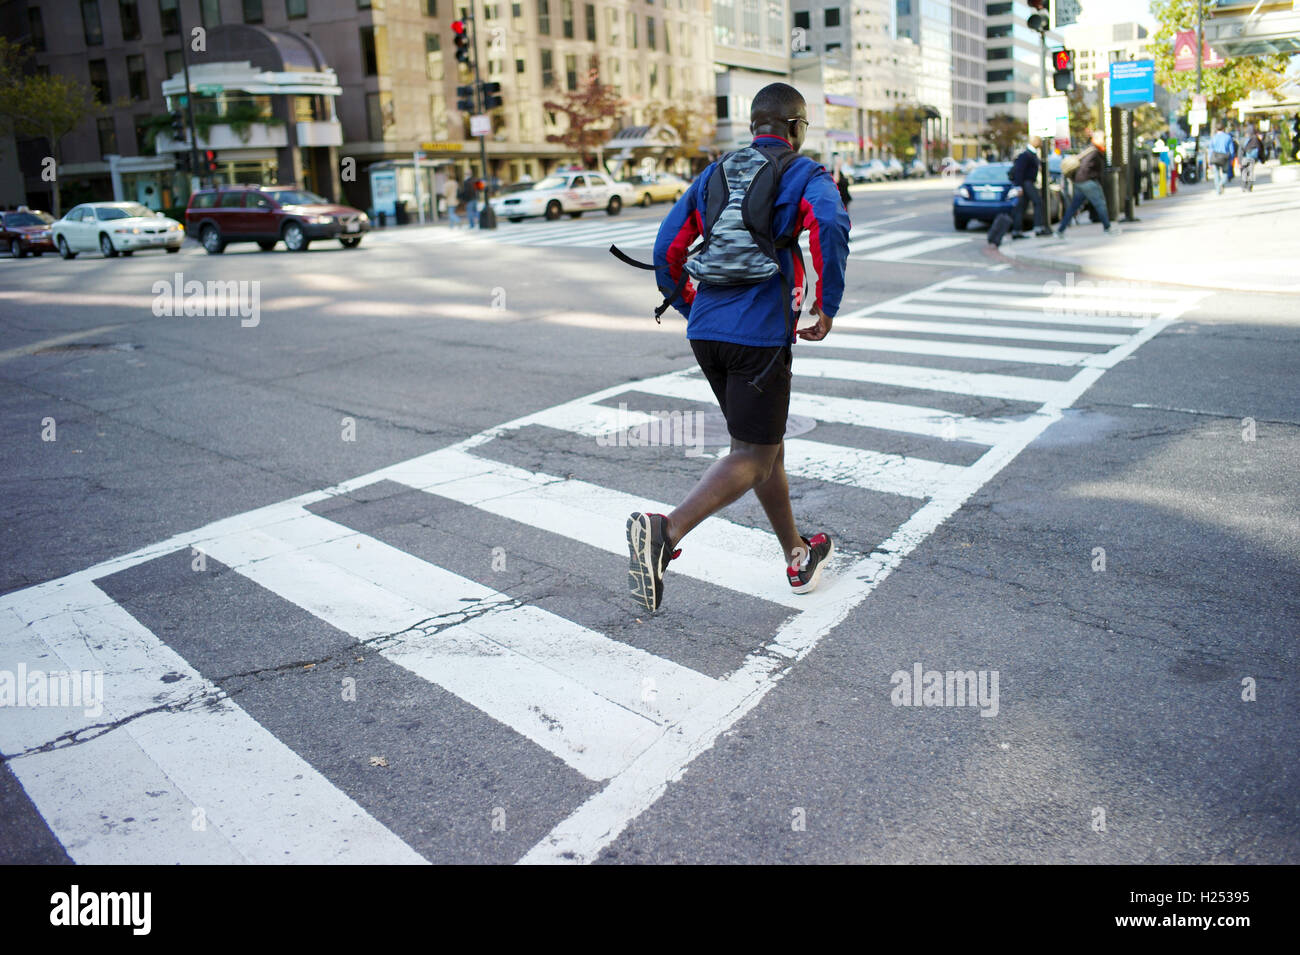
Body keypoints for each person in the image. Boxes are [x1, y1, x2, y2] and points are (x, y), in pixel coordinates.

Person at [628, 82, 851, 613]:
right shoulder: (804, 173)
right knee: (751, 453)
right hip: (760, 336)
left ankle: (797, 554)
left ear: (754, 127)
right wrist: (828, 304)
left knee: (764, 447)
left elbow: (667, 247)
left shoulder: (714, 172)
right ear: (796, 129)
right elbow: (831, 223)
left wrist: (691, 305)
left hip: (707, 332)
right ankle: (666, 530)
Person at [1056, 129, 1114, 238]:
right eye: (1103, 138)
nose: (1104, 141)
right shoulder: (1094, 151)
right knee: (1100, 204)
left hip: (1081, 182)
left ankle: (1060, 230)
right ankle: (1107, 227)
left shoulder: (1091, 149)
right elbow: (1085, 167)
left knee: (1074, 206)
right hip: (1087, 182)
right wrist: (1092, 178)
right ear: (1096, 138)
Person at [1008, 135, 1050, 238]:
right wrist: (1019, 187)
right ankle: (1038, 228)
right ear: (1035, 142)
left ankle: (1017, 231)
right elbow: (1019, 171)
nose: (1041, 144)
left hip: (1026, 183)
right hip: (1027, 183)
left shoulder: (1031, 154)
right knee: (1038, 202)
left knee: (1022, 207)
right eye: (1039, 142)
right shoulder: (1026, 155)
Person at [1209, 123, 1234, 195]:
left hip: (1215, 157)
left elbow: (1210, 149)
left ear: (1216, 129)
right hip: (1225, 157)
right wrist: (1231, 158)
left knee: (1216, 174)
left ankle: (1218, 190)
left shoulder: (1213, 137)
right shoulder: (1228, 137)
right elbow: (1231, 150)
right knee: (1225, 173)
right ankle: (1221, 184)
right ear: (1223, 129)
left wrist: (1209, 161)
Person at [1240, 123, 1263, 193]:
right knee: (1251, 172)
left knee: (1244, 172)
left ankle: (1244, 186)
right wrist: (1262, 159)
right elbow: (1260, 149)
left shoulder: (1243, 139)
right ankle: (1249, 187)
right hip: (1252, 158)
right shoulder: (1256, 139)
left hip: (1244, 157)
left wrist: (1239, 160)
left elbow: (1240, 150)